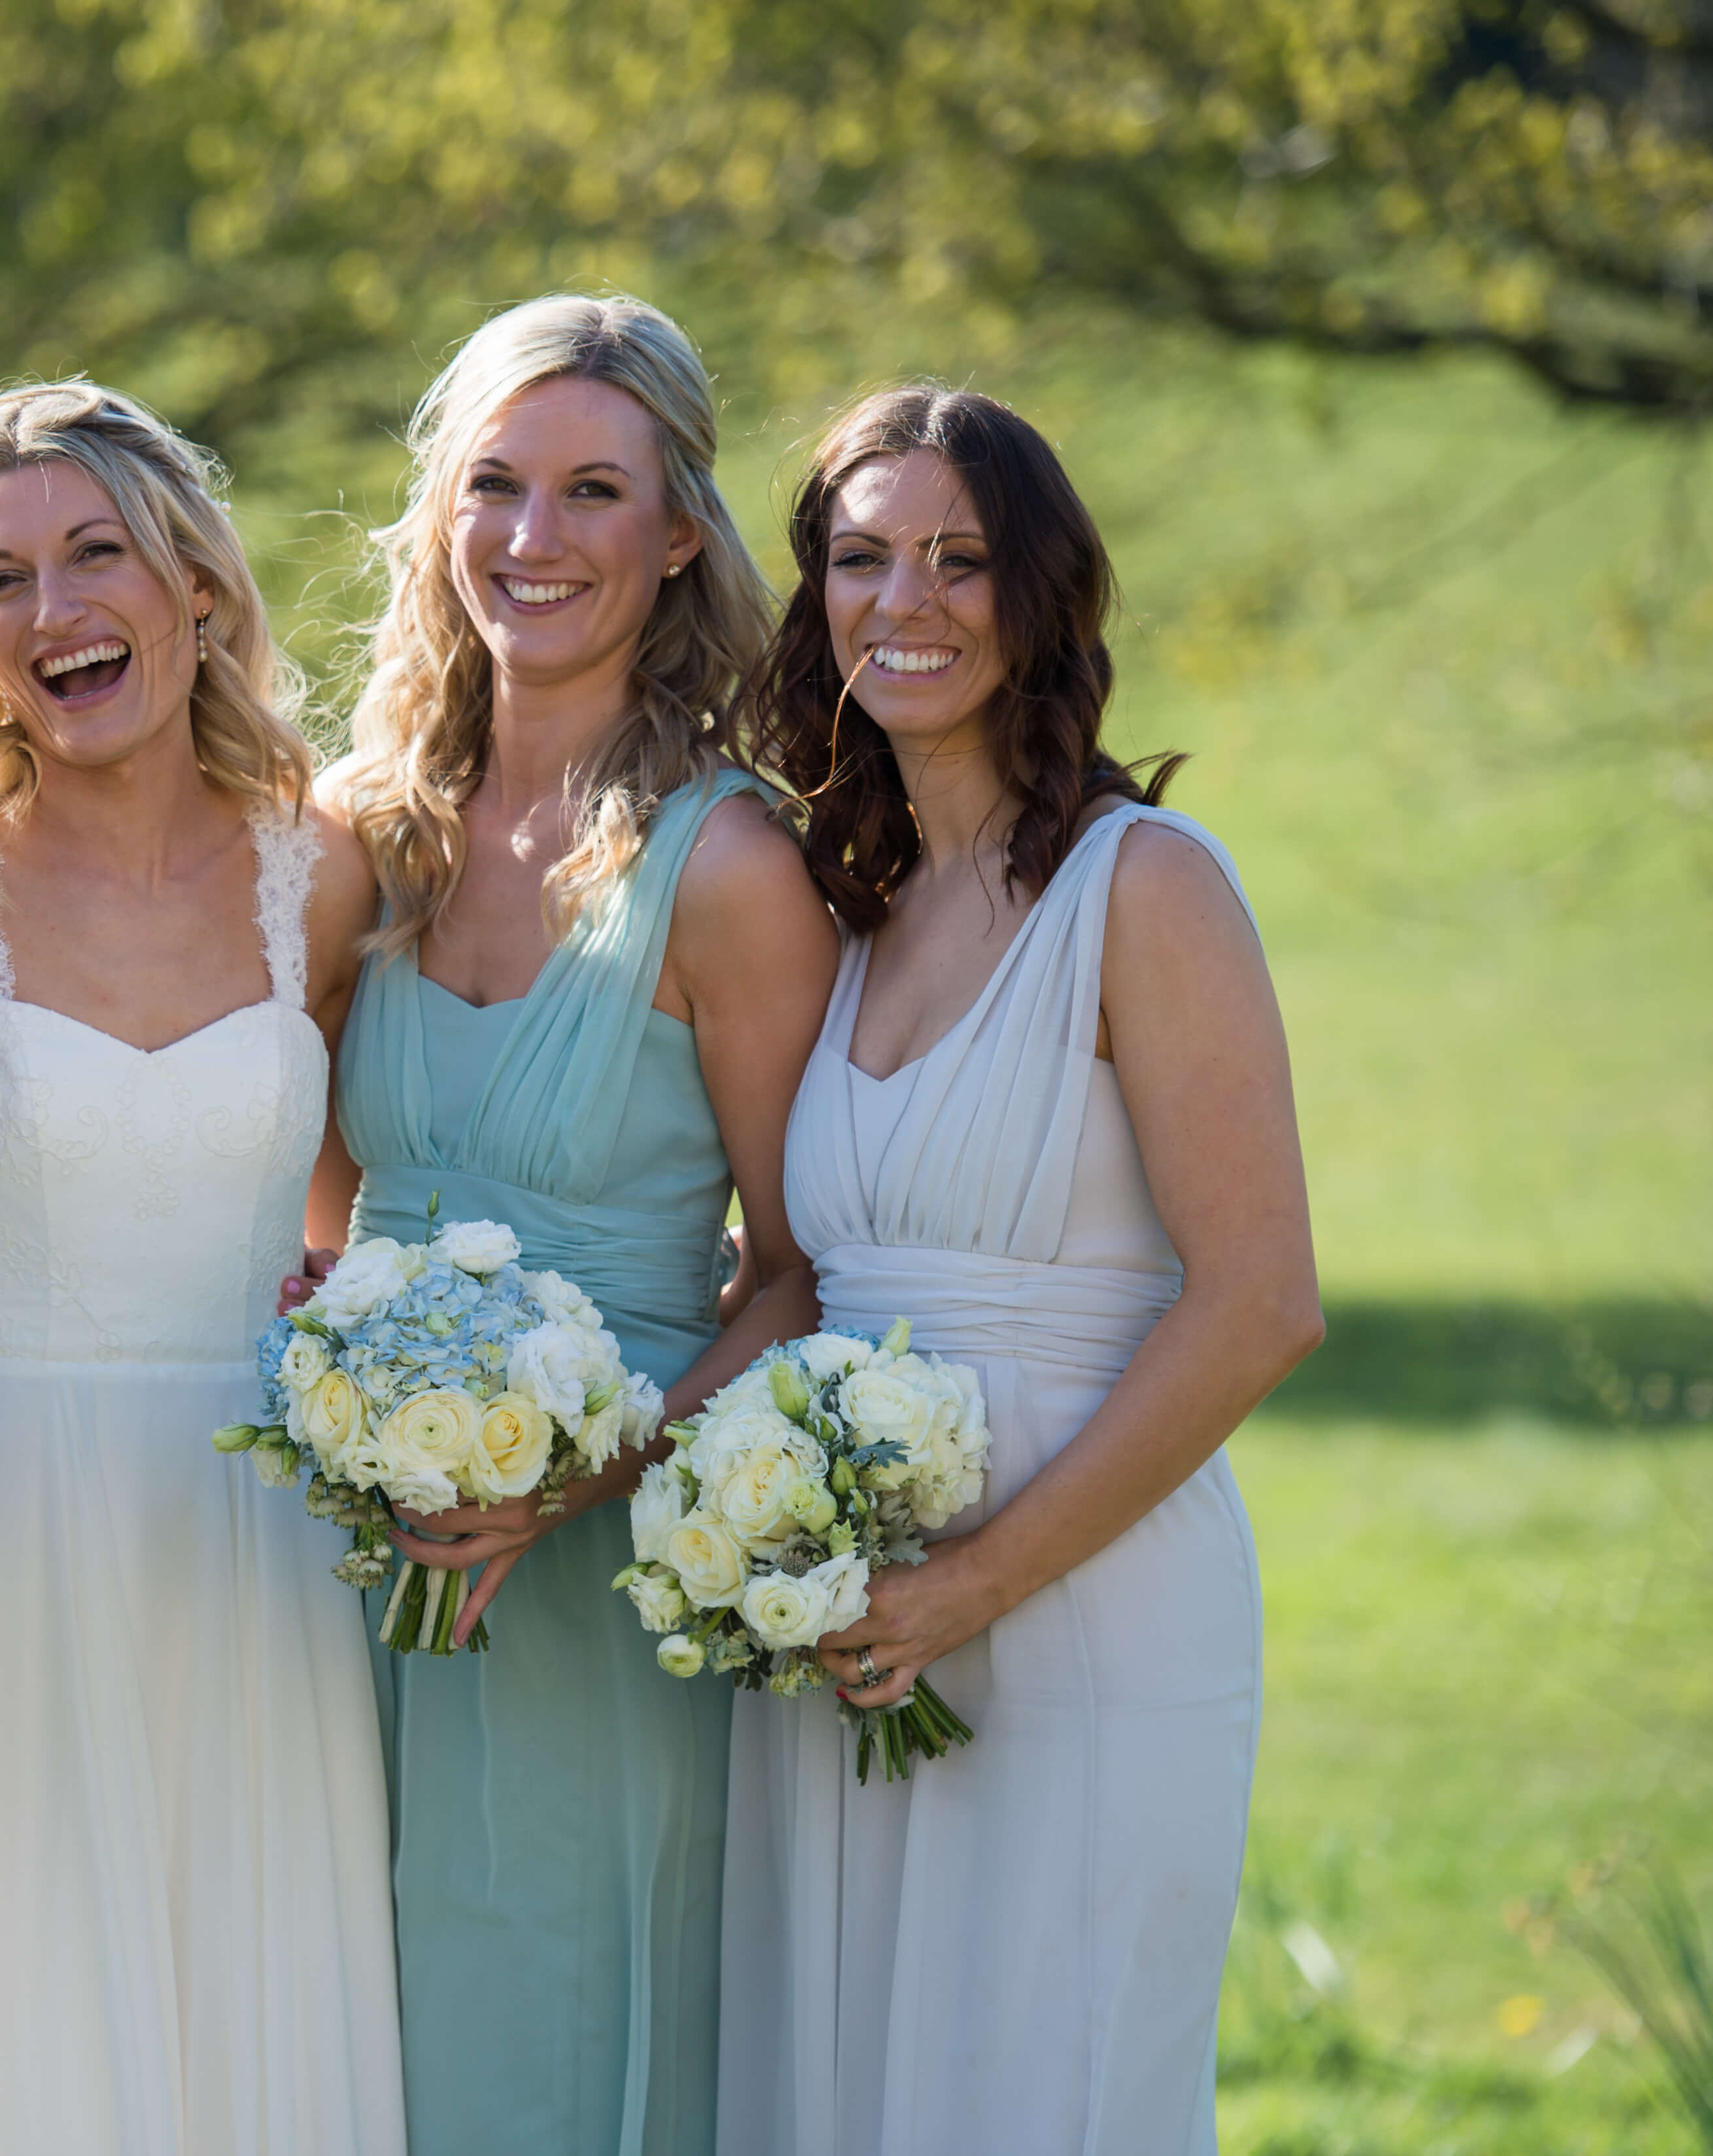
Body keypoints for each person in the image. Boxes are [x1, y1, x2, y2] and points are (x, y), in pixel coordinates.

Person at [717, 385, 1322, 2155]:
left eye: (958, 560)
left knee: (1045, 2094)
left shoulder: (1148, 887)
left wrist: (978, 1580)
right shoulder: (853, 902)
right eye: (859, 556)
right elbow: (796, 1277)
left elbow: (1261, 1304)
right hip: (852, 1633)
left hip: (1087, 1611)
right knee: (845, 2091)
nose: (903, 599)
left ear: (1038, 594)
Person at [0, 381, 404, 2156]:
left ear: (197, 588)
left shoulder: (325, 868)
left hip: (259, 1563)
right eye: (4, 580)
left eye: (99, 554)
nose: (58, 610)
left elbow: (348, 1217)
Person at [319, 294, 837, 2156]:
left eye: (592, 492)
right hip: (351, 1569)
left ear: (680, 530)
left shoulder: (735, 867)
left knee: (552, 2041)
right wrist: (344, 1389)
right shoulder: (373, 840)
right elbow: (307, 1197)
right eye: (495, 486)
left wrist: (580, 1469)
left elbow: (794, 1275)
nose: (532, 542)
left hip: (595, 1587)